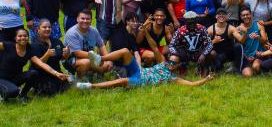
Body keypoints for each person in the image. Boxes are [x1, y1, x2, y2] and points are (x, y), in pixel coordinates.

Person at [0, 21, 68, 102]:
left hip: (16, 78)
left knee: (33, 73)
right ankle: (2, 93)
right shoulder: (8, 46)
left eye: (25, 36)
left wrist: (57, 73)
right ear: (15, 38)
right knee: (13, 92)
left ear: (28, 37)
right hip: (0, 78)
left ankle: (23, 95)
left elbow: (41, 64)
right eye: (20, 36)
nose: (23, 38)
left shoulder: (29, 49)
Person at [76, 40, 215, 90]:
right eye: (169, 60)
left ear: (177, 66)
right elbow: (154, 47)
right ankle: (101, 59)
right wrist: (147, 31)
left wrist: (206, 79)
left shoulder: (173, 78)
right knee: (125, 51)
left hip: (141, 81)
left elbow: (191, 84)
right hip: (139, 71)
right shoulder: (162, 63)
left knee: (123, 81)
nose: (170, 63)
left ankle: (90, 86)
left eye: (173, 63)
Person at [63, 9, 113, 79]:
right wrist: (97, 58)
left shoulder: (94, 31)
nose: (85, 21)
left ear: (91, 20)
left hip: (90, 58)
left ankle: (89, 72)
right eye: (82, 18)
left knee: (107, 65)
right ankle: (78, 79)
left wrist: (108, 59)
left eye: (88, 19)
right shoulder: (72, 33)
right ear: (77, 19)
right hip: (71, 59)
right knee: (86, 63)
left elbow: (102, 46)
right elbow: (77, 53)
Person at [30, 19, 71, 96]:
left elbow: (63, 58)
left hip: (56, 72)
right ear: (38, 29)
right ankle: (33, 87)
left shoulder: (56, 41)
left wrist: (66, 54)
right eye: (44, 27)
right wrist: (47, 55)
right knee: (49, 91)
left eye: (49, 27)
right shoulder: (34, 44)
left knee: (65, 88)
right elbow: (36, 65)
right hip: (41, 74)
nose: (47, 29)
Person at [167, 11, 214, 76]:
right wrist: (176, 54)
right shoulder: (180, 31)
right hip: (185, 53)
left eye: (193, 23)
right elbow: (171, 45)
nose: (191, 25)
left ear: (196, 21)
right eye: (189, 23)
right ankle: (179, 69)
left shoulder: (202, 28)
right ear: (185, 22)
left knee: (212, 53)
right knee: (173, 57)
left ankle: (205, 68)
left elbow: (209, 43)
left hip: (198, 52)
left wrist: (203, 54)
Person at [207, 8, 247, 73]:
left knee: (238, 46)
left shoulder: (231, 28)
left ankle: (238, 69)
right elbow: (204, 44)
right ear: (216, 16)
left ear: (227, 17)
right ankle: (216, 65)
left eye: (223, 14)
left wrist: (245, 33)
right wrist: (214, 41)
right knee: (216, 68)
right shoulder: (210, 29)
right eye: (219, 14)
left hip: (229, 53)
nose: (221, 16)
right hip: (217, 54)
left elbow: (241, 40)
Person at [236, 7, 268, 76]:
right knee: (248, 75)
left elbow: (265, 41)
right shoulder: (239, 28)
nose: (245, 17)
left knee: (256, 67)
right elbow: (240, 44)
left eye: (247, 14)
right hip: (246, 56)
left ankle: (256, 67)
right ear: (241, 17)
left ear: (251, 15)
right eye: (243, 15)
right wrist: (245, 32)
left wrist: (258, 37)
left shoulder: (258, 25)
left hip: (258, 54)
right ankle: (247, 68)